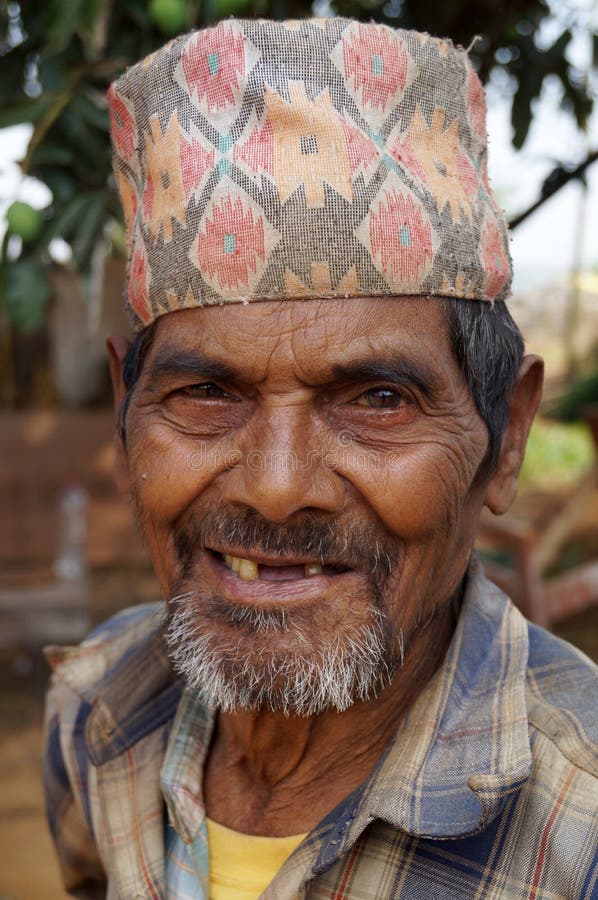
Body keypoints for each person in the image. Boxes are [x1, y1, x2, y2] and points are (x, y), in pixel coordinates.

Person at [43, 17, 598, 899]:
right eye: (204, 395)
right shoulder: (99, 704)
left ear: (507, 439)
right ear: (124, 419)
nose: (274, 487)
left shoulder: (583, 825)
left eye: (379, 401)